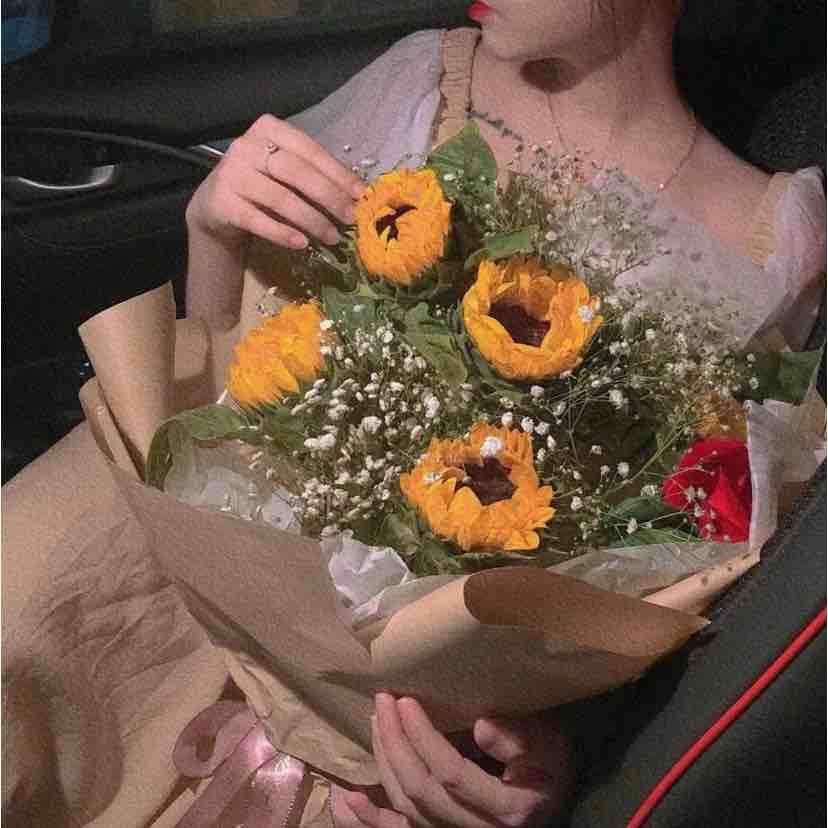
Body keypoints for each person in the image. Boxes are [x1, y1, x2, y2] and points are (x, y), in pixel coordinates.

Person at [2, 2, 824, 826]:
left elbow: (690, 584)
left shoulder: (773, 236)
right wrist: (212, 230)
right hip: (154, 610)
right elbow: (224, 380)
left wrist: (547, 756)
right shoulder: (427, 80)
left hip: (392, 757)